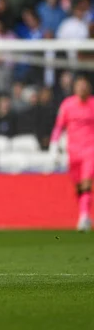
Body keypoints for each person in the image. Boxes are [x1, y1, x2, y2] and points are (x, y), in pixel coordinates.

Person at [50, 76, 94, 231]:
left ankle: (83, 216)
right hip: (73, 151)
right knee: (78, 186)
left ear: (89, 88)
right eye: (79, 86)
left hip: (90, 149)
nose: (82, 89)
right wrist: (54, 145)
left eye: (85, 86)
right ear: (74, 88)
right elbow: (59, 126)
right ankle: (85, 214)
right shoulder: (67, 105)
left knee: (87, 181)